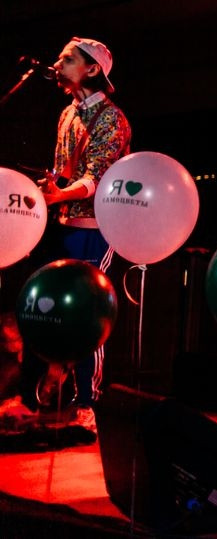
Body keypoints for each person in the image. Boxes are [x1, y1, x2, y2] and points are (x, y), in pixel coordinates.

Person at [0, 37, 131, 438]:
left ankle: (87, 402)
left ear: (92, 69)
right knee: (44, 304)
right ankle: (45, 380)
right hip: (62, 223)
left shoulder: (112, 118)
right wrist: (49, 186)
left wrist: (61, 193)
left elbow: (97, 178)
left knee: (90, 311)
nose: (58, 64)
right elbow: (64, 170)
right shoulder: (67, 114)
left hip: (96, 227)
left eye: (67, 59)